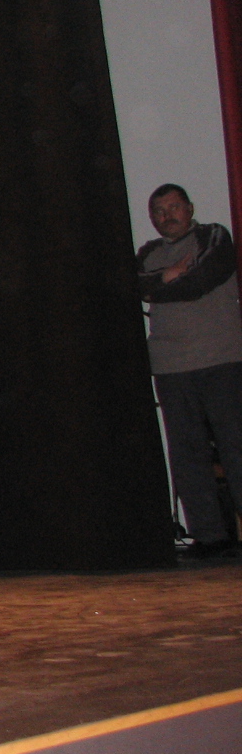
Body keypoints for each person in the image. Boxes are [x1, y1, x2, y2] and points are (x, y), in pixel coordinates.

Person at [137, 184, 242, 557]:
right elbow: (134, 284)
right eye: (159, 210)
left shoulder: (214, 236)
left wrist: (159, 284)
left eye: (174, 206)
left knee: (236, 447)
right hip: (170, 366)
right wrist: (170, 274)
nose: (168, 215)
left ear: (190, 208)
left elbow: (201, 280)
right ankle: (209, 537)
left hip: (220, 359)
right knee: (186, 453)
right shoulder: (148, 253)